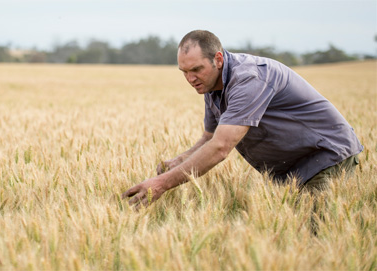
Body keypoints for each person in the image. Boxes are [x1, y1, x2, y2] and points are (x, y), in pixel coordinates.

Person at [122, 30, 363, 208]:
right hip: (295, 167)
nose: (190, 78)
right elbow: (209, 137)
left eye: (196, 69)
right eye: (184, 72)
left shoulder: (248, 79)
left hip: (326, 157)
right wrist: (180, 160)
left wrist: (162, 183)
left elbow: (220, 147)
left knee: (316, 239)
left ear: (218, 59)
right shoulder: (211, 84)